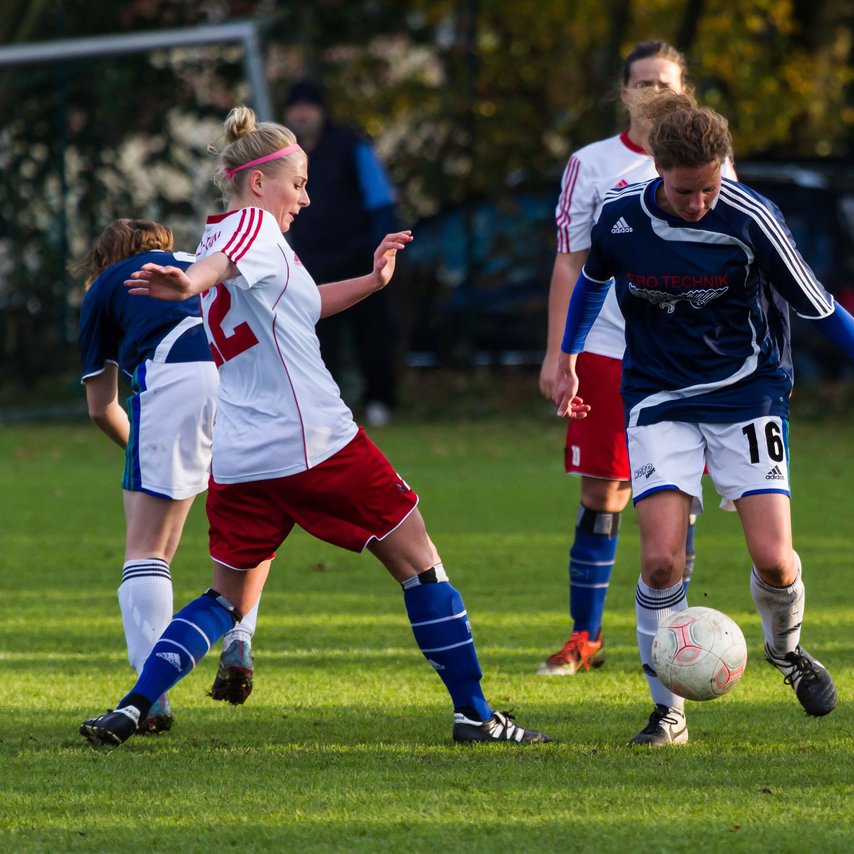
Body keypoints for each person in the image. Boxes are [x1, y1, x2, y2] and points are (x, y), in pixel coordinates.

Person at [79, 106, 551, 748]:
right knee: (422, 568)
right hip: (317, 444)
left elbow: (301, 307)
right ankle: (475, 715)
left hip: (243, 460)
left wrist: (373, 280)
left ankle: (134, 705)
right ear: (257, 182)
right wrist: (186, 281)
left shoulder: (228, 235)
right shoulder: (249, 227)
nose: (305, 196)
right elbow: (208, 275)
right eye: (296, 182)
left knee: (222, 599)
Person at [552, 101, 854, 745]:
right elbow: (592, 281)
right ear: (659, 172)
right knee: (662, 562)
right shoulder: (622, 218)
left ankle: (787, 653)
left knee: (774, 560)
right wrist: (570, 354)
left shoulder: (751, 219)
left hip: (748, 394)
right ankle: (668, 710)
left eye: (711, 188)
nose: (698, 202)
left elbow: (821, 307)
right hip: (658, 397)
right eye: (686, 191)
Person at [536, 40, 736, 677]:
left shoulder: (713, 165)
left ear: (686, 91)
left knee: (678, 489)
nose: (654, 94)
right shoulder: (589, 164)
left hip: (685, 354)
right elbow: (570, 263)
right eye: (642, 84)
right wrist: (556, 353)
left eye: (665, 84)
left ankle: (676, 639)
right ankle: (584, 638)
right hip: (605, 347)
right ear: (624, 93)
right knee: (602, 493)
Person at [76, 219, 263, 731]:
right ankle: (240, 641)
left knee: (148, 547)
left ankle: (151, 695)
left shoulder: (108, 284)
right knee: (250, 528)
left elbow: (101, 406)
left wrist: (146, 454)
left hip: (176, 377)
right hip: (246, 377)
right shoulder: (198, 264)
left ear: (104, 257)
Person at [284, 79, 400, 427]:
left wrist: (380, 253)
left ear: (322, 110)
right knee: (317, 340)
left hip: (359, 261)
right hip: (312, 264)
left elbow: (381, 201)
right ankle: (325, 409)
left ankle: (380, 402)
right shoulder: (285, 155)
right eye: (295, 106)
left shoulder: (350, 146)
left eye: (309, 105)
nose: (302, 113)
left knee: (372, 335)